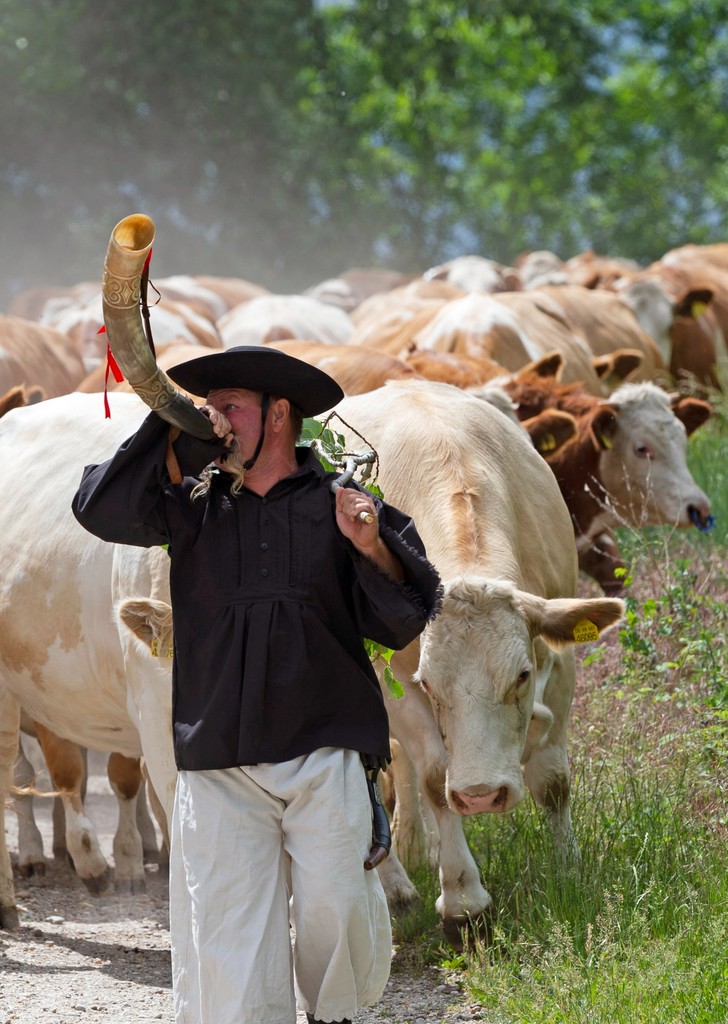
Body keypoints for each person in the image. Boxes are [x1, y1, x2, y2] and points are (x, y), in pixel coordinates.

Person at [71, 345, 442, 1024]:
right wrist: (167, 420)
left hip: (324, 751)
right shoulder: (189, 507)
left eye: (228, 407)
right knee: (229, 935)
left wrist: (371, 547)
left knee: (336, 911)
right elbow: (97, 507)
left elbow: (405, 618)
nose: (214, 420)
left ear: (278, 415)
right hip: (218, 756)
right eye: (206, 408)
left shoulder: (343, 504)